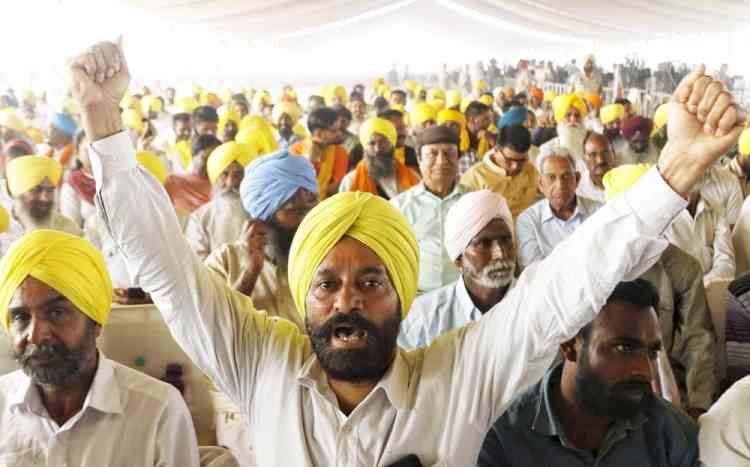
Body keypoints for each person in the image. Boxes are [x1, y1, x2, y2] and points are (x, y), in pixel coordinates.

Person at [71, 40, 741, 467]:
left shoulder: (456, 377)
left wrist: (674, 170)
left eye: (370, 279)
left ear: (404, 294)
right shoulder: (264, 363)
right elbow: (168, 269)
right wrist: (105, 131)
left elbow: (560, 289)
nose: (347, 300)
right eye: (327, 282)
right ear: (303, 295)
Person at [0, 230, 201, 466]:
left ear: (95, 322)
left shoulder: (157, 410)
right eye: (21, 317)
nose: (35, 335)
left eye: (56, 313)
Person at [478, 280, 698, 466]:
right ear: (569, 345)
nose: (645, 371)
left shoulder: (674, 434)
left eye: (652, 352)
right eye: (623, 349)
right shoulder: (503, 438)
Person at [204, 152, 318, 464]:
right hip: (246, 407)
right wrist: (250, 272)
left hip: (314, 399)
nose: (305, 218)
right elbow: (215, 333)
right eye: (292, 210)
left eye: (310, 207)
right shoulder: (223, 262)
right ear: (263, 214)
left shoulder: (322, 259)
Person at [399, 190, 515, 349]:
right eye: (484, 243)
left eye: (505, 240)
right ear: (458, 259)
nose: (500, 253)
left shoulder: (537, 303)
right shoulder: (422, 319)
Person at [391, 125, 464, 293]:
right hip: (416, 298)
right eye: (433, 153)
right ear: (419, 159)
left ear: (458, 158)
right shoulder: (400, 207)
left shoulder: (472, 202)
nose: (442, 161)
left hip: (464, 296)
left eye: (449, 153)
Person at [516, 145, 601, 269]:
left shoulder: (599, 212)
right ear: (540, 183)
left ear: (577, 179)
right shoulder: (528, 221)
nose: (560, 185)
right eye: (551, 177)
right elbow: (533, 273)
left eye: (566, 176)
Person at [185, 142, 253, 261]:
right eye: (224, 174)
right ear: (214, 176)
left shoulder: (259, 212)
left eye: (238, 175)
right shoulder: (200, 217)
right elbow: (198, 264)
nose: (230, 183)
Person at [1, 155, 81, 255]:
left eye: (50, 190)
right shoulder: (3, 226)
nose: (45, 197)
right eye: (36, 190)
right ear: (18, 192)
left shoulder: (68, 230)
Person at [460, 124, 540, 218]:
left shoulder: (532, 172)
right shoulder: (475, 177)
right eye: (509, 160)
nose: (515, 166)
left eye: (522, 160)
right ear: (496, 150)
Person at [666, 187, 736, 286]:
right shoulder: (662, 216)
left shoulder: (716, 210)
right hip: (677, 295)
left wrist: (703, 286)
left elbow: (726, 263)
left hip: (711, 289)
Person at [339, 117, 420, 199]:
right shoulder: (350, 181)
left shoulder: (412, 177)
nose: (377, 148)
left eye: (383, 142)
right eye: (371, 143)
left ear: (392, 144)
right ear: (364, 147)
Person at [289, 107, 349, 199]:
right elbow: (292, 186)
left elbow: (334, 189)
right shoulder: (295, 150)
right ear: (319, 133)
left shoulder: (340, 153)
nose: (339, 134)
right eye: (334, 131)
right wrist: (310, 161)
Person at [164, 134, 220, 212]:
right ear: (193, 156)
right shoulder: (172, 182)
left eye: (216, 159)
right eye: (205, 158)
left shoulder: (222, 185)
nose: (210, 163)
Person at [541, 94, 588, 173]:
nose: (573, 120)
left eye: (577, 116)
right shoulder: (548, 148)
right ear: (560, 118)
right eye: (568, 115)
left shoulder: (590, 146)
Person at [60, 131, 98, 228]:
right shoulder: (73, 184)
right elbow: (72, 227)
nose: (95, 153)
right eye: (88, 149)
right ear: (77, 154)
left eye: (98, 148)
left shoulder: (115, 177)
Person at [576, 132, 613, 203]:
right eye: (593, 155)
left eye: (605, 153)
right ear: (584, 159)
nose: (600, 160)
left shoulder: (627, 176)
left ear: (612, 154)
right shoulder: (578, 190)